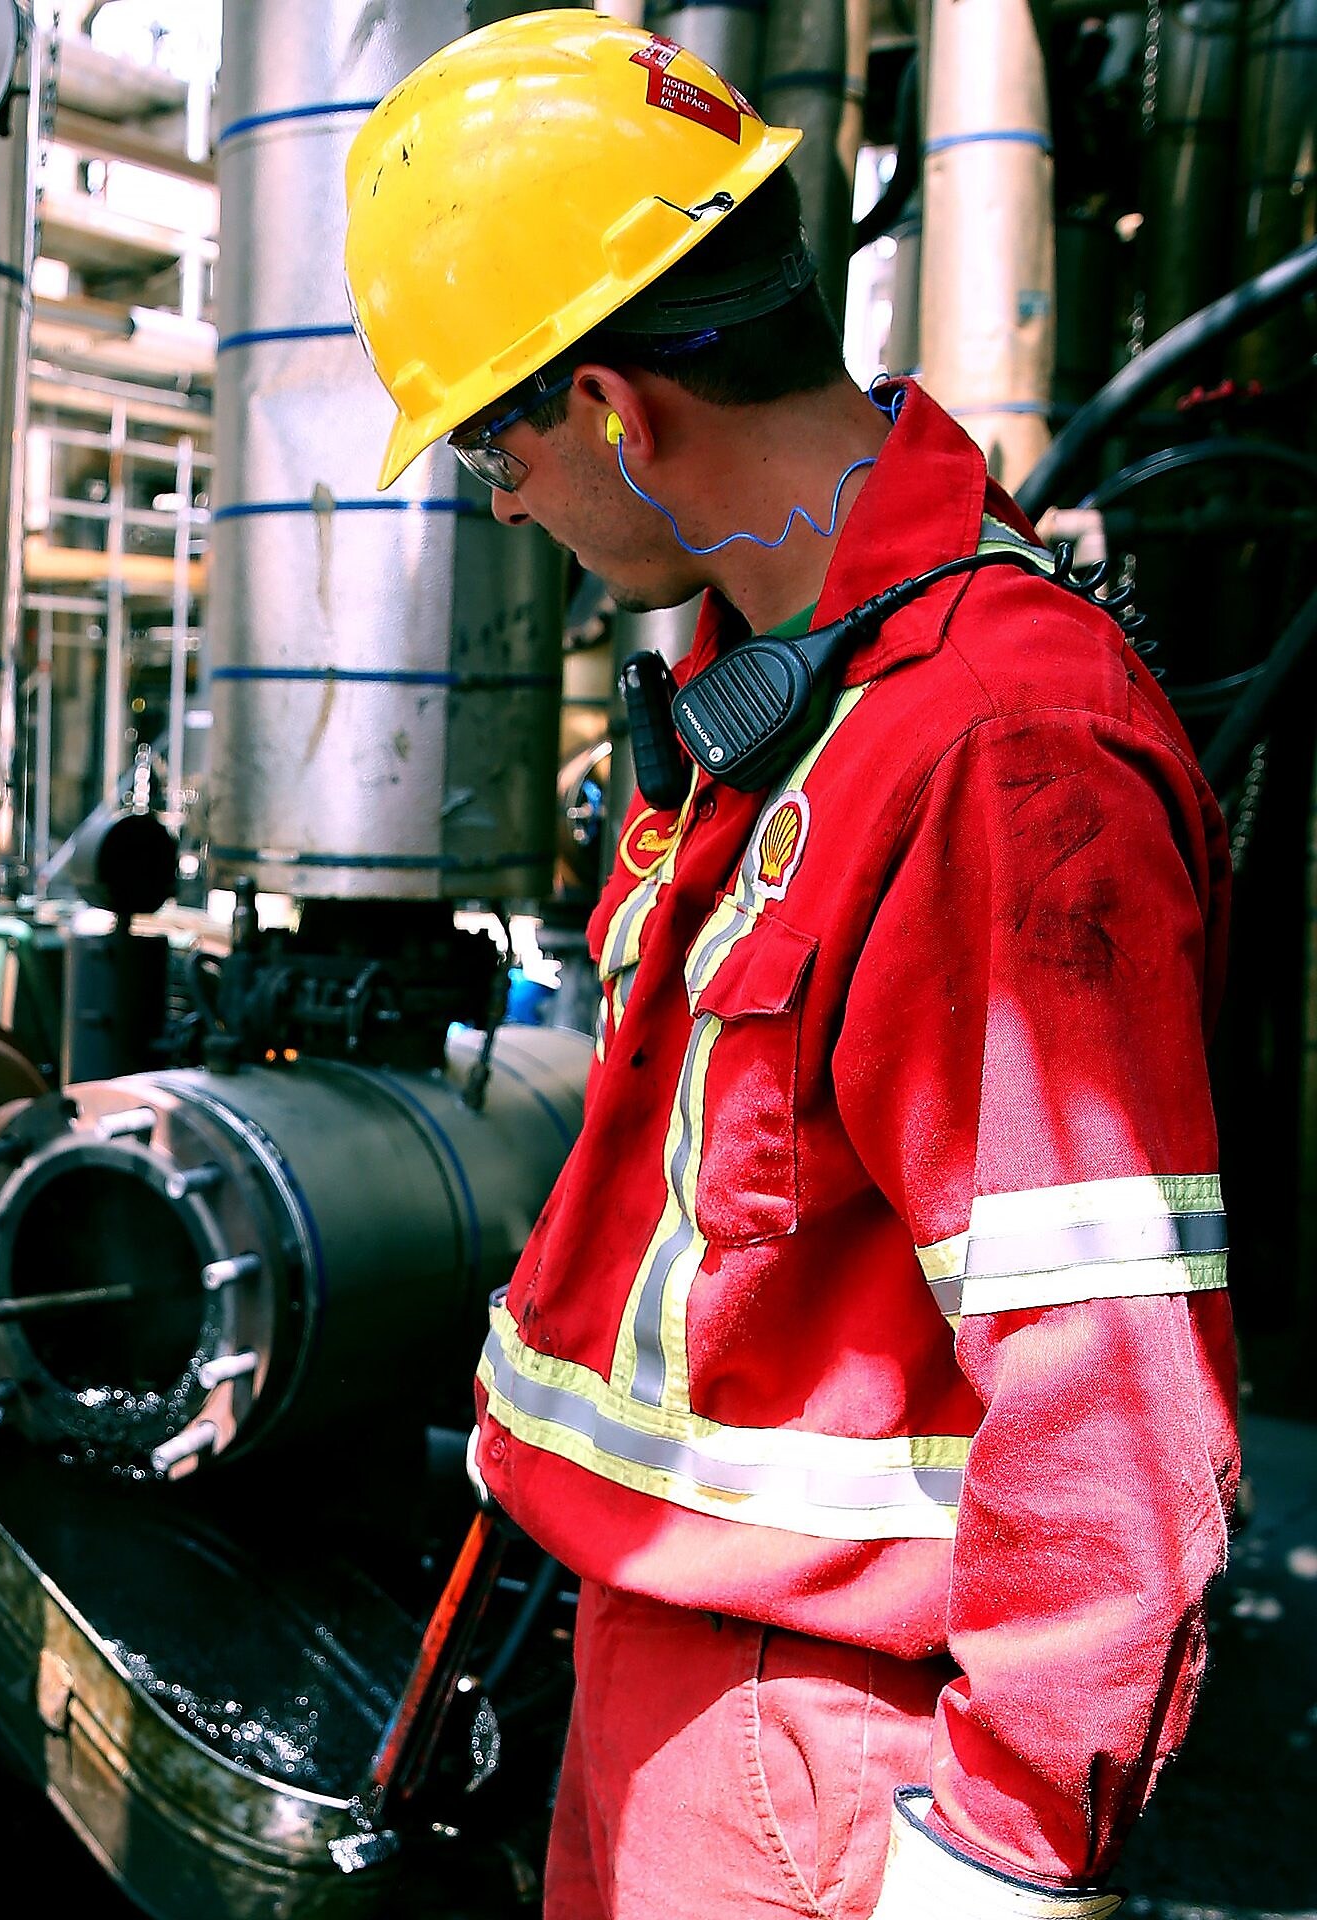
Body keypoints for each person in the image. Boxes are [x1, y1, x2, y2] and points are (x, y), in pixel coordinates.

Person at [344, 17, 1235, 1919]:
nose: (502, 501)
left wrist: (1005, 1852)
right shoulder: (798, 706)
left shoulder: (996, 744)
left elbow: (1112, 1374)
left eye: (498, 441)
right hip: (667, 1680)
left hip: (828, 1749)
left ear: (612, 407)